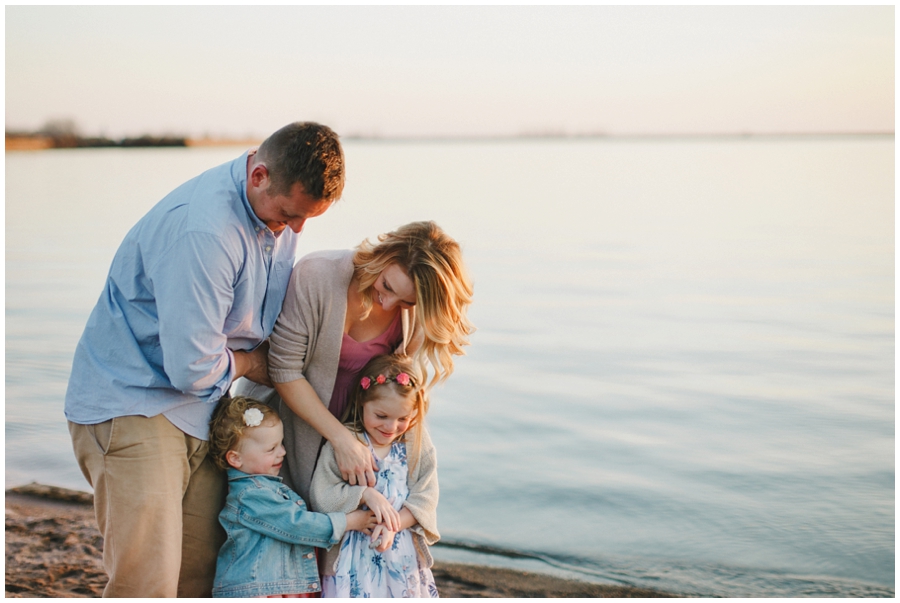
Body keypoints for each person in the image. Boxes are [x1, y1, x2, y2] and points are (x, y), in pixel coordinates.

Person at [64, 122, 345, 597]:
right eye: (289, 214)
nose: (296, 229)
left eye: (307, 219)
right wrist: (255, 365)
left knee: (203, 574)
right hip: (134, 406)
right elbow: (193, 368)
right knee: (146, 583)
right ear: (258, 175)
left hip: (206, 410)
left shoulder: (272, 211)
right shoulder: (205, 232)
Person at [236, 220, 474, 504]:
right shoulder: (317, 274)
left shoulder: (416, 314)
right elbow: (284, 369)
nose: (388, 305)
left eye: (406, 302)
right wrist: (340, 439)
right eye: (387, 286)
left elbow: (396, 388)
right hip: (284, 426)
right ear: (383, 256)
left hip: (356, 437)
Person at [207, 396, 376, 598]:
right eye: (272, 449)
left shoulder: (268, 488)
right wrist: (349, 521)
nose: (283, 452)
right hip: (258, 591)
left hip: (275, 588)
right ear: (235, 458)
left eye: (281, 444)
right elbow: (295, 524)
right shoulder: (250, 495)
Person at [310, 354, 440, 598]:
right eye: (381, 416)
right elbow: (322, 496)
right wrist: (365, 494)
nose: (391, 427)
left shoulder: (416, 442)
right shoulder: (348, 443)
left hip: (402, 557)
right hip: (351, 561)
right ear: (362, 402)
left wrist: (393, 525)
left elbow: (426, 496)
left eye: (403, 418)